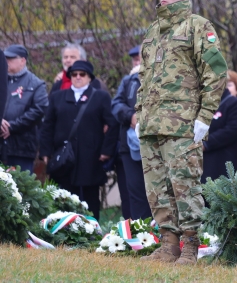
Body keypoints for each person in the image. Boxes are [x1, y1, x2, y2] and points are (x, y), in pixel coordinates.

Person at [135, 0, 228, 265]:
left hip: (182, 123)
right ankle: (168, 244)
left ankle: (190, 245)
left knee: (184, 184)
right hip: (152, 123)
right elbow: (144, 78)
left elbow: (215, 72)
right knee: (157, 187)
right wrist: (139, 115)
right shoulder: (153, 32)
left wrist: (205, 116)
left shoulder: (198, 26)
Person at [40, 60, 118, 220]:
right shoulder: (57, 97)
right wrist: (45, 152)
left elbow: (112, 124)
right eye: (74, 74)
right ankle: (63, 232)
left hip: (90, 156)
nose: (78, 77)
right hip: (63, 157)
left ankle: (92, 232)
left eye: (82, 74)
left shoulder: (100, 97)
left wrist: (106, 151)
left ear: (89, 77)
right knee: (63, 197)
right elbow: (47, 125)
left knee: (90, 199)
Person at [111, 45, 152, 220]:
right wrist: (131, 116)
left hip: (158, 146)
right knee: (136, 193)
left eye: (142, 57)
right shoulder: (128, 81)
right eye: (135, 59)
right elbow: (116, 105)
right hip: (130, 148)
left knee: (161, 193)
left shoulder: (166, 78)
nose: (138, 62)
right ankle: (142, 238)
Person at [1, 45, 49, 172]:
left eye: (11, 58)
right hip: (0, 146)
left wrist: (12, 126)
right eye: (5, 58)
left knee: (21, 188)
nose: (6, 61)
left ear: (23, 60)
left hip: (22, 148)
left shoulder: (36, 84)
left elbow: (39, 110)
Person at [202, 71, 237, 182]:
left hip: (226, 162)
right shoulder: (203, 103)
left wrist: (206, 143)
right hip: (205, 163)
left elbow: (233, 129)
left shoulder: (234, 103)